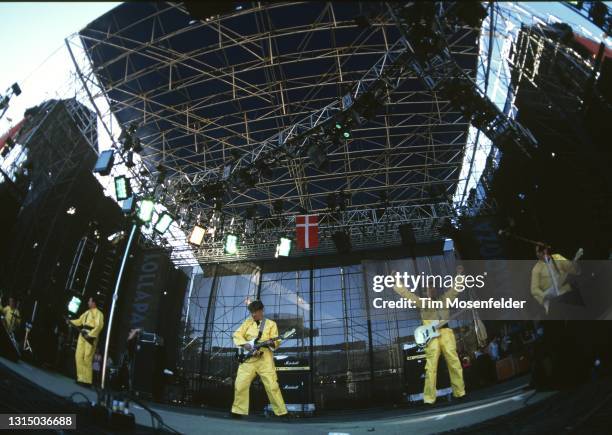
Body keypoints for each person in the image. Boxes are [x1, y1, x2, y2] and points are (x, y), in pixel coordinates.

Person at [392, 265, 466, 405]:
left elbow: (455, 289)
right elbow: (406, 294)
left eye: (433, 288)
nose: (431, 290)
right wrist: (396, 280)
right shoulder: (422, 302)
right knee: (431, 367)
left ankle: (460, 393)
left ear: (436, 290)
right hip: (431, 337)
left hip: (446, 333)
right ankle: (429, 398)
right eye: (428, 288)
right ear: (426, 292)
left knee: (454, 363)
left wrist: (460, 275)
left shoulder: (445, 299)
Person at [230, 300, 288, 418]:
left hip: (265, 359)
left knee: (272, 386)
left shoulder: (271, 324)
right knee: (240, 384)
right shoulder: (247, 322)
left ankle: (282, 412)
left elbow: (276, 343)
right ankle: (237, 411)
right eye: (251, 312)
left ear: (261, 311)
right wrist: (245, 344)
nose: (253, 314)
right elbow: (237, 335)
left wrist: (271, 343)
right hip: (248, 361)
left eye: (255, 312)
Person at [67, 296, 104, 386]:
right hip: (82, 334)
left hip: (90, 336)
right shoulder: (87, 312)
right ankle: (81, 378)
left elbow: (99, 326)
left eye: (89, 301)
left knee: (87, 358)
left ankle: (87, 381)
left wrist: (90, 335)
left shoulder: (99, 314)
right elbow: (79, 321)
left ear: (94, 303)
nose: (88, 302)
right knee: (78, 355)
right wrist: (70, 321)